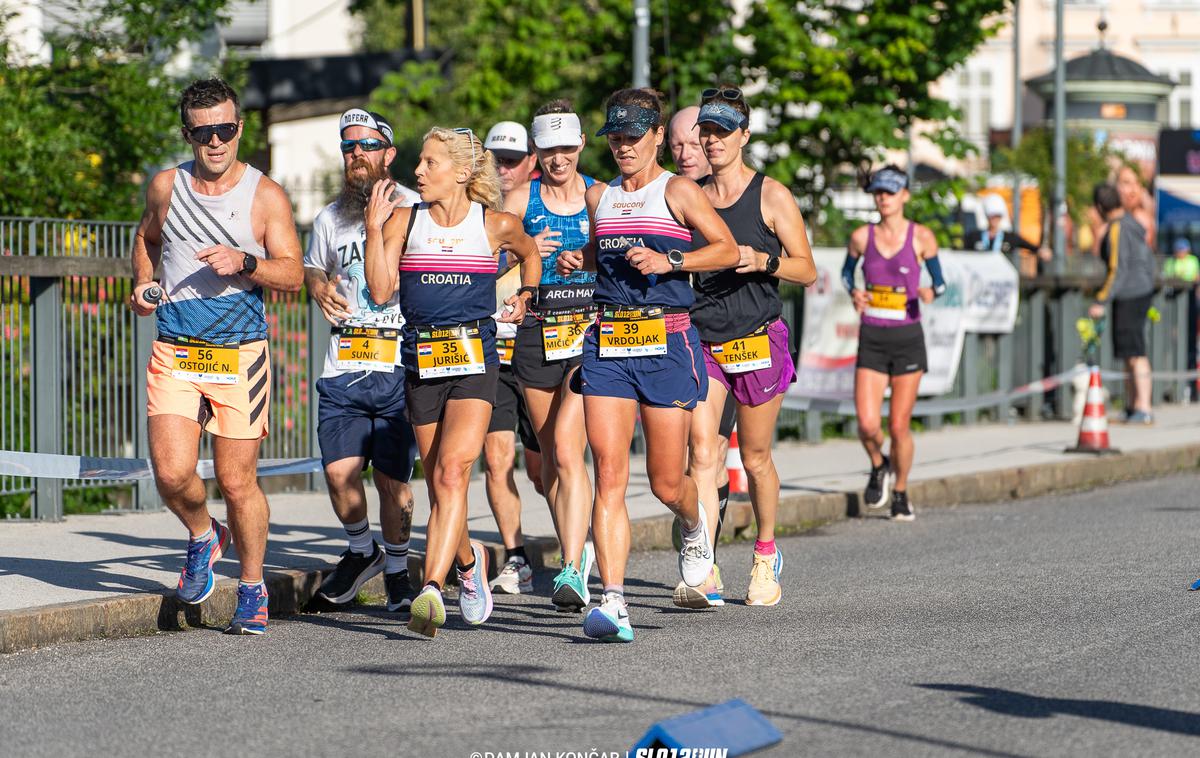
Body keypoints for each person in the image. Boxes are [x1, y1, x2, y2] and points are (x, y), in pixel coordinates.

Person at [558, 88, 738, 642]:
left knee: (664, 482)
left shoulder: (678, 190)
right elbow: (601, 251)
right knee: (608, 474)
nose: (623, 147)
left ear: (657, 135)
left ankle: (692, 525)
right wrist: (578, 260)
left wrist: (671, 260)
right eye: (615, 137)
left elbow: (726, 250)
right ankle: (613, 601)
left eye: (634, 137)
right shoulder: (600, 197)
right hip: (610, 342)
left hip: (666, 341)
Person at [129, 78, 303, 635]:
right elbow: (147, 240)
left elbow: (294, 274)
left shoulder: (264, 195)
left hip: (239, 355)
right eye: (203, 132)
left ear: (239, 129)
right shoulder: (166, 186)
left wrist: (246, 263)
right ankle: (205, 536)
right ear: (189, 134)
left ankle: (252, 587)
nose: (215, 142)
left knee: (236, 480)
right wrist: (143, 282)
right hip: (177, 347)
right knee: (173, 473)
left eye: (225, 130)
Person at [364, 127, 540, 637]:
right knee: (444, 489)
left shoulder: (496, 225)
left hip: (474, 360)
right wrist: (375, 230)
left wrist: (526, 294)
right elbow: (378, 290)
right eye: (419, 162)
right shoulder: (403, 220)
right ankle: (470, 563)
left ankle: (431, 588)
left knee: (450, 475)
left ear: (462, 173)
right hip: (422, 363)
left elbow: (531, 253)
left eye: (430, 163)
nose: (418, 172)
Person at [684, 88, 817, 608]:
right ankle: (704, 563)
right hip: (703, 340)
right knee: (702, 452)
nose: (713, 141)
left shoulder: (771, 196)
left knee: (755, 456)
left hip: (757, 339)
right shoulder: (688, 192)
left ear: (744, 136)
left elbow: (807, 270)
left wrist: (764, 261)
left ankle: (765, 554)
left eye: (723, 132)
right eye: (707, 131)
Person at [305, 109, 421, 613]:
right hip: (345, 362)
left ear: (389, 154)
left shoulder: (418, 209)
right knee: (338, 474)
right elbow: (312, 267)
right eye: (349, 147)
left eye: (368, 146)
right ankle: (361, 550)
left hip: (398, 362)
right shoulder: (330, 217)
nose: (357, 155)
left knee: (394, 481)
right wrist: (318, 286)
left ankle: (398, 568)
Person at [503, 100, 598, 611]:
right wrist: (525, 251)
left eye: (566, 147)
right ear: (536, 150)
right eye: (548, 149)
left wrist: (590, 259)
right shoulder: (522, 198)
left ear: (581, 144)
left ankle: (571, 565)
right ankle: (577, 547)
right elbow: (487, 257)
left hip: (589, 335)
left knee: (567, 448)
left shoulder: (599, 196)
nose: (558, 158)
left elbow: (626, 259)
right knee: (547, 470)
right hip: (538, 338)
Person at [843, 165, 945, 522]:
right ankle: (879, 463)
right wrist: (855, 292)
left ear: (905, 195)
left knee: (899, 426)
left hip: (907, 339)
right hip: (872, 336)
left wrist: (930, 291)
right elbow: (846, 273)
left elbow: (941, 282)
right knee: (868, 424)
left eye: (890, 192)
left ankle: (900, 491)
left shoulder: (922, 237)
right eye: (878, 193)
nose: (883, 199)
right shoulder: (861, 237)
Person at [668, 103, 737, 562]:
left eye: (695, 142)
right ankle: (699, 508)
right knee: (689, 454)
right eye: (678, 143)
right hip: (672, 339)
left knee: (706, 447)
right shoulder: (664, 194)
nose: (687, 151)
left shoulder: (726, 197)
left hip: (722, 337)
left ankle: (703, 550)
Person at [485, 264, 545, 595]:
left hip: (540, 352)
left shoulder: (541, 217)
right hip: (495, 358)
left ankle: (578, 542)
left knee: (543, 471)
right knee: (497, 460)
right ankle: (516, 558)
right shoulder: (480, 223)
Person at [1090, 183, 1156, 425]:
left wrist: (1101, 299)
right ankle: (1133, 405)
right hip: (1141, 290)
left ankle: (1143, 406)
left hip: (1130, 293)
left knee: (1136, 352)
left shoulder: (1118, 228)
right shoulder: (1132, 223)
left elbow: (1117, 268)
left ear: (1099, 207)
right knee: (1131, 352)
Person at [965, 194, 1051, 265]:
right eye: (992, 216)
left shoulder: (1009, 237)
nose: (994, 219)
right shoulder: (974, 237)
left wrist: (1040, 250)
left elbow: (1027, 245)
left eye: (997, 216)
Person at [484, 121, 538, 195]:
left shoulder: (549, 205)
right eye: (495, 161)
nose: (502, 171)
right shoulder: (469, 204)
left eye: (510, 161)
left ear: (532, 162)